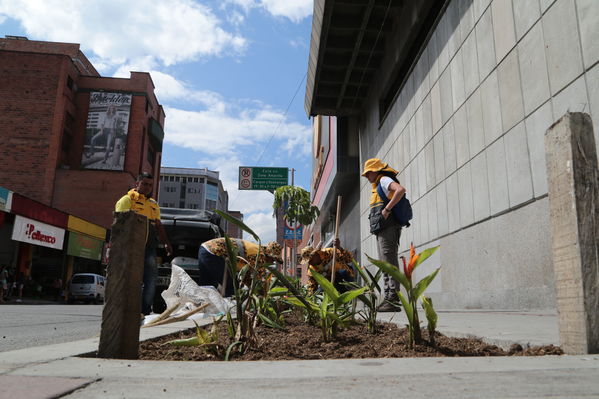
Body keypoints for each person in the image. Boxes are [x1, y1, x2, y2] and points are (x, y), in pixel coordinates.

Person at [115, 172, 172, 315]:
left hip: (149, 248)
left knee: (151, 280)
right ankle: (125, 309)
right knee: (130, 279)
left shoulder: (153, 205)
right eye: (144, 184)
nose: (147, 187)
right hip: (130, 248)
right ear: (137, 184)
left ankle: (145, 311)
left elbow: (158, 225)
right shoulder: (127, 200)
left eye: (150, 185)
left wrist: (166, 243)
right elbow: (119, 226)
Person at [361, 158, 406, 312]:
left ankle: (393, 299)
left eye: (368, 173)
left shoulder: (384, 180)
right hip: (381, 227)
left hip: (388, 226)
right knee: (384, 263)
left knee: (389, 262)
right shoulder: (376, 185)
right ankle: (388, 298)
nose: (366, 177)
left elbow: (400, 190)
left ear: (375, 171)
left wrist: (387, 209)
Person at [198, 238, 282, 297]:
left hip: (204, 249)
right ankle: (231, 313)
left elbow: (247, 276)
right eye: (273, 259)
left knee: (206, 286)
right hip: (214, 253)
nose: (272, 262)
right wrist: (263, 295)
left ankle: (205, 311)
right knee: (231, 287)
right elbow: (256, 282)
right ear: (269, 255)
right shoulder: (259, 255)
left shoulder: (256, 249)